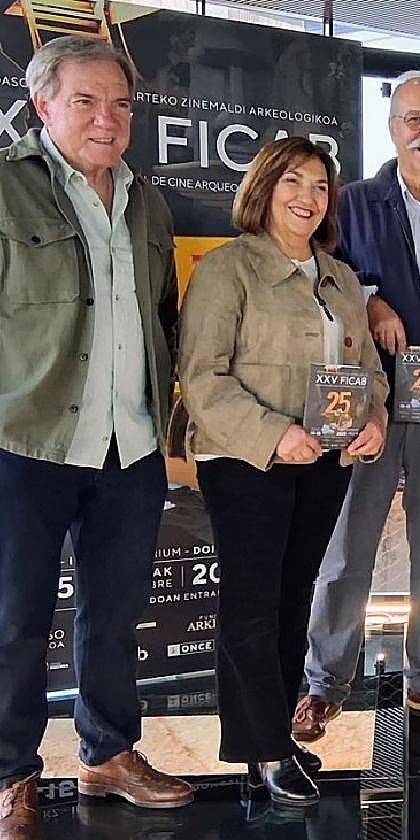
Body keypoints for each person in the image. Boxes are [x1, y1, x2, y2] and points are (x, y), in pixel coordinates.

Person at [0, 36, 193, 839]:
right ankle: (10, 775)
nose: (107, 119)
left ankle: (108, 752)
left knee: (114, 616)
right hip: (27, 443)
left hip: (130, 445)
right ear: (43, 106)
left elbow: (163, 315)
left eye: (120, 104)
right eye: (85, 101)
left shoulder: (147, 202)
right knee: (14, 620)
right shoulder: (6, 190)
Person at [179, 137, 387, 807]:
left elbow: (370, 372)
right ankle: (263, 747)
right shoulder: (227, 270)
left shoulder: (341, 278)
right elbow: (202, 379)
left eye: (321, 185)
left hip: (323, 464)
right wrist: (276, 435)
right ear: (264, 189)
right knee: (252, 604)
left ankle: (273, 735)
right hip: (246, 461)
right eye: (293, 181)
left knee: (295, 597)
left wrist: (374, 419)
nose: (308, 197)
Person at [295, 71, 420, 741]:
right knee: (347, 550)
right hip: (366, 408)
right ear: (392, 129)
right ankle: (325, 682)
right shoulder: (347, 204)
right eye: (413, 120)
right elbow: (314, 279)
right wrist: (372, 300)